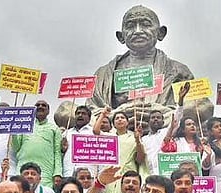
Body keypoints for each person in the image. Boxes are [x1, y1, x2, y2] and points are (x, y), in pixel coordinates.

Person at [81, 5, 213, 133]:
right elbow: (91, 110)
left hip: (161, 131)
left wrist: (159, 114)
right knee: (65, 111)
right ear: (121, 36)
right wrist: (117, 115)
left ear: (160, 33)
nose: (138, 30)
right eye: (130, 26)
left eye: (145, 24)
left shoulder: (178, 70)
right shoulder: (104, 74)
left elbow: (200, 106)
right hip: (117, 132)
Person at [93, 110, 145, 193]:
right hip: (111, 172)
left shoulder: (134, 136)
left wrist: (137, 140)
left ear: (127, 122)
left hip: (128, 172)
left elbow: (140, 158)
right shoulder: (110, 137)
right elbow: (96, 131)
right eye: (117, 118)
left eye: (122, 118)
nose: (120, 120)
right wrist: (103, 114)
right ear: (113, 124)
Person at [12, 100, 63, 187]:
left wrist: (57, 173)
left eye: (44, 105)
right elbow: (16, 148)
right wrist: (13, 131)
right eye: (37, 105)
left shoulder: (54, 128)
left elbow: (57, 152)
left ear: (48, 111)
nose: (40, 107)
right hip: (23, 168)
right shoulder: (25, 125)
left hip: (46, 171)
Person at [141, 83, 188, 175]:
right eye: (153, 117)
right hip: (149, 173)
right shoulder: (144, 139)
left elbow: (177, 117)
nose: (155, 119)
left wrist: (181, 100)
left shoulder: (165, 132)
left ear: (163, 122)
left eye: (158, 118)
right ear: (148, 122)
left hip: (166, 171)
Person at [62, 105, 96, 177]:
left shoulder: (94, 133)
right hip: (68, 173)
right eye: (78, 113)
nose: (80, 115)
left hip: (88, 175)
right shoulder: (66, 133)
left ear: (89, 118)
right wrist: (62, 149)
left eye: (83, 113)